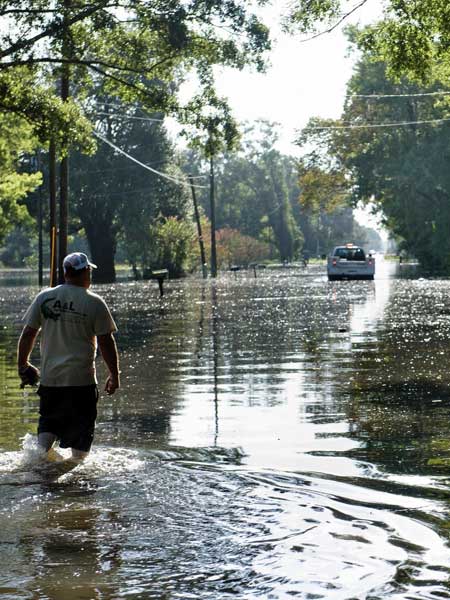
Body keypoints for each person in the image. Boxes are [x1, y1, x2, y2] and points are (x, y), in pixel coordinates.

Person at [17, 252, 120, 461]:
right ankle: (75, 480)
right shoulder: (94, 302)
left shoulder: (44, 297)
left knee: (47, 426)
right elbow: (106, 342)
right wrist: (114, 374)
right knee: (80, 449)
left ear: (66, 273)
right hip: (81, 383)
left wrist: (23, 366)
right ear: (86, 272)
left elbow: (28, 334)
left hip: (50, 381)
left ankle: (35, 462)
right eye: (89, 271)